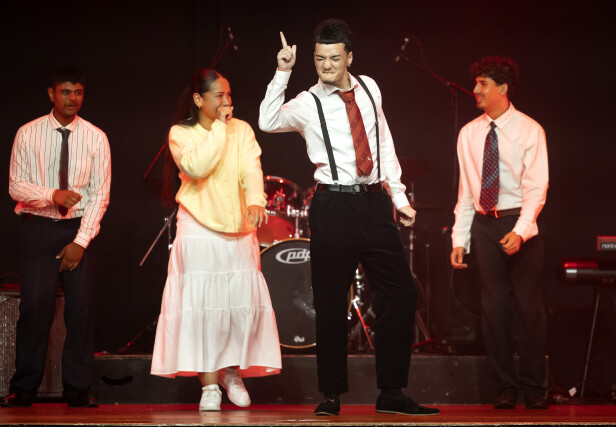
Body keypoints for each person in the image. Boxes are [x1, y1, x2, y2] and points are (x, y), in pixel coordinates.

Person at [259, 19, 439, 416]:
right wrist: (283, 72)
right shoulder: (307, 102)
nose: (326, 65)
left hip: (374, 204)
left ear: (349, 58)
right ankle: (331, 394)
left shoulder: (370, 87)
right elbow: (267, 121)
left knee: (401, 293)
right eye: (319, 58)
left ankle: (391, 391)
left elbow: (384, 143)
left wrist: (399, 197)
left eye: (334, 58)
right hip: (333, 205)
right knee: (329, 300)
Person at [150, 68, 282, 412]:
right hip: (199, 228)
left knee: (236, 303)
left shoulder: (242, 129)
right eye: (219, 95)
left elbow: (251, 169)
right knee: (202, 307)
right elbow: (197, 167)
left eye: (229, 94)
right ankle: (209, 384)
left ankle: (231, 372)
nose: (227, 101)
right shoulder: (181, 133)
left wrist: (256, 200)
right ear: (199, 100)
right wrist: (220, 128)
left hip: (238, 229)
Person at [4, 68, 111, 408]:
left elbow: (100, 195)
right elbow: (16, 185)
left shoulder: (96, 137)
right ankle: (23, 389)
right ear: (51, 94)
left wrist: (80, 242)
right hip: (39, 227)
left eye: (78, 92)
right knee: (35, 308)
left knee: (80, 311)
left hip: (79, 229)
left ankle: (77, 390)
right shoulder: (28, 133)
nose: (72, 98)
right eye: (65, 92)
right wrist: (53, 195)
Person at [450, 56, 549, 409]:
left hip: (521, 221)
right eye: (476, 83)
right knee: (493, 309)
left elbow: (536, 188)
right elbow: (466, 192)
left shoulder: (529, 130)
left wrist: (520, 231)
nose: (475, 90)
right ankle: (505, 386)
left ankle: (535, 387)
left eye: (483, 84)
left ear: (502, 89)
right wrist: (459, 239)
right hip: (484, 223)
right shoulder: (469, 133)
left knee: (528, 308)